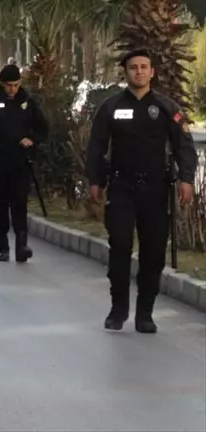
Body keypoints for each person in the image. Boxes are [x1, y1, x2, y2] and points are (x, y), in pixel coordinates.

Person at [86, 49, 196, 334]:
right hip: (122, 186)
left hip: (155, 189)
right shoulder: (110, 107)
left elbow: (184, 145)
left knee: (154, 252)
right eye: (133, 67)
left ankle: (145, 312)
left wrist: (186, 179)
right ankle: (118, 307)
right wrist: (95, 180)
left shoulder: (166, 107)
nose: (139, 72)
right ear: (126, 72)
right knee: (120, 244)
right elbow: (97, 145)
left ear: (152, 72)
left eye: (144, 67)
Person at [0, 64, 49, 263]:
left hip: (20, 163)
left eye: (15, 85)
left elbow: (43, 128)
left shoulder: (27, 103)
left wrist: (31, 139)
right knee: (0, 206)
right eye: (8, 85)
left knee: (20, 203)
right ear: (2, 84)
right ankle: (3, 247)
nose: (12, 89)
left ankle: (22, 245)